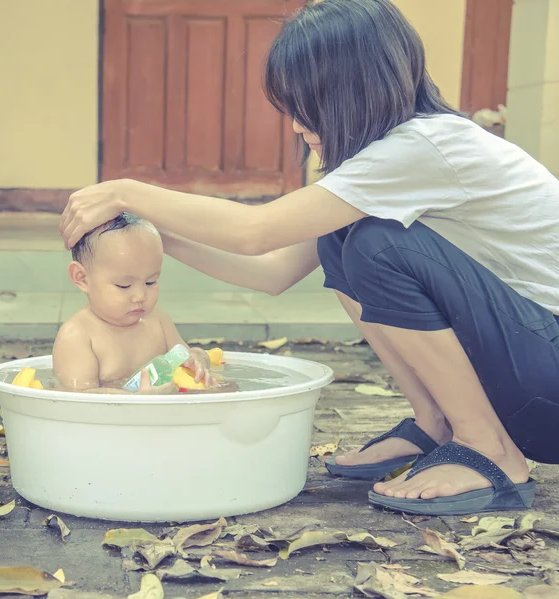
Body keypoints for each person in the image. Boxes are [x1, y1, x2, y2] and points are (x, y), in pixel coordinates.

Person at [59, 0, 559, 515]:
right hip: (530, 370)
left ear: (357, 91)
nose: (297, 125)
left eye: (308, 105)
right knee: (341, 240)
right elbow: (270, 271)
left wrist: (126, 192)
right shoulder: (386, 162)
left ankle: (489, 448)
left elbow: (255, 232)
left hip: (549, 378)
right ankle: (438, 423)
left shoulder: (422, 147)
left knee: (375, 245)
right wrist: (156, 235)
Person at [53, 213, 215, 394]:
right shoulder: (77, 336)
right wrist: (135, 400)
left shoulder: (157, 320)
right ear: (82, 278)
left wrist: (198, 358)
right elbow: (78, 397)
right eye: (124, 285)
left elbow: (184, 356)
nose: (140, 296)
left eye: (151, 282)